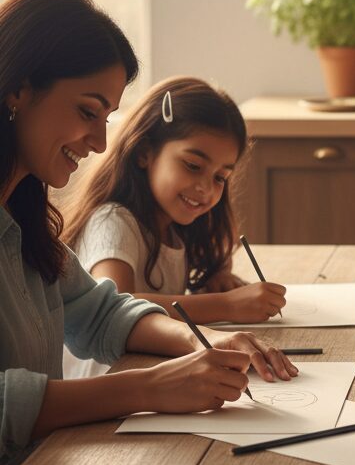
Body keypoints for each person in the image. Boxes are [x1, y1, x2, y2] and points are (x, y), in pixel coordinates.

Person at [0, 0, 291, 465]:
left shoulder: (23, 217)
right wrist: (149, 387)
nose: (99, 139)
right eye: (86, 111)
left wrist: (204, 342)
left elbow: (100, 310)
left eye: (107, 116)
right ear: (16, 88)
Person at [60, 76, 286, 378]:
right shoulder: (113, 220)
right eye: (193, 165)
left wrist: (212, 283)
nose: (206, 188)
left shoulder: (176, 228)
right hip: (106, 392)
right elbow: (118, 304)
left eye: (220, 177)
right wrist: (226, 305)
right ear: (144, 152)